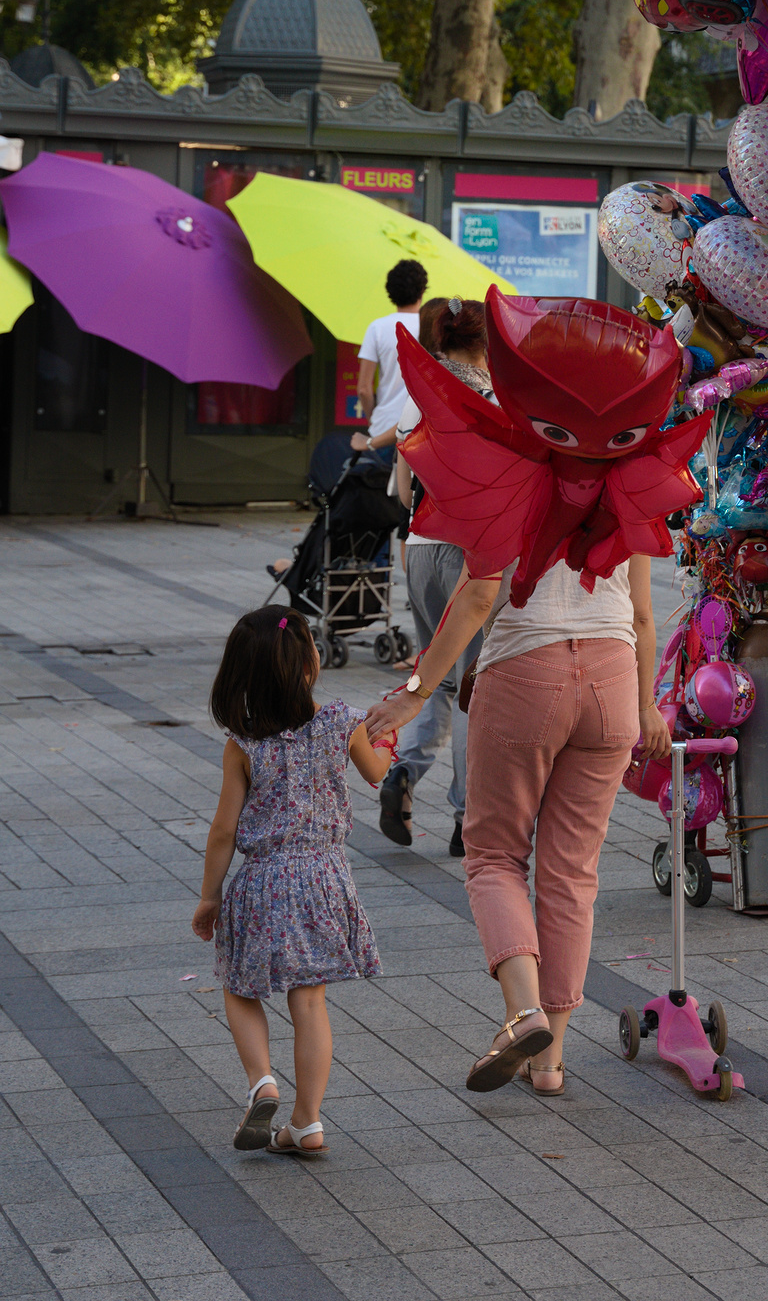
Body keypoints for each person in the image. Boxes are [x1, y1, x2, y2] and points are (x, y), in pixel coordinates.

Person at [365, 555, 670, 1095]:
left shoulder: (510, 479)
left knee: (495, 856)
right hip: (615, 676)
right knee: (572, 873)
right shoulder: (626, 481)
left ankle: (523, 1012)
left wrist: (414, 693)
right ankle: (550, 1062)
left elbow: (479, 597)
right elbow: (643, 616)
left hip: (524, 669)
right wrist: (647, 705)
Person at [192, 606, 392, 1157]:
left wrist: (210, 896)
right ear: (310, 664)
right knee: (310, 1003)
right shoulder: (340, 722)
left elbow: (222, 832)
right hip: (325, 877)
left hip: (260, 881)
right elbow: (377, 772)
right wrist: (387, 739)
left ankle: (262, 1082)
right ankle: (306, 1122)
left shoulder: (243, 744)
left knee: (240, 985)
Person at [378, 299, 492, 859]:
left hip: (418, 550)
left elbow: (403, 495)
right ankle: (467, 817)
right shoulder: (494, 400)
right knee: (472, 686)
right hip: (468, 555)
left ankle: (403, 773)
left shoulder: (414, 395)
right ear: (487, 344)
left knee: (435, 673)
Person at [349, 260, 428, 468]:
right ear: (422, 290)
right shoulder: (430, 327)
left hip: (382, 431)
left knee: (380, 496)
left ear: (390, 292)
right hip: (419, 431)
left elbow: (364, 389)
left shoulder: (377, 328)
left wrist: (373, 421)